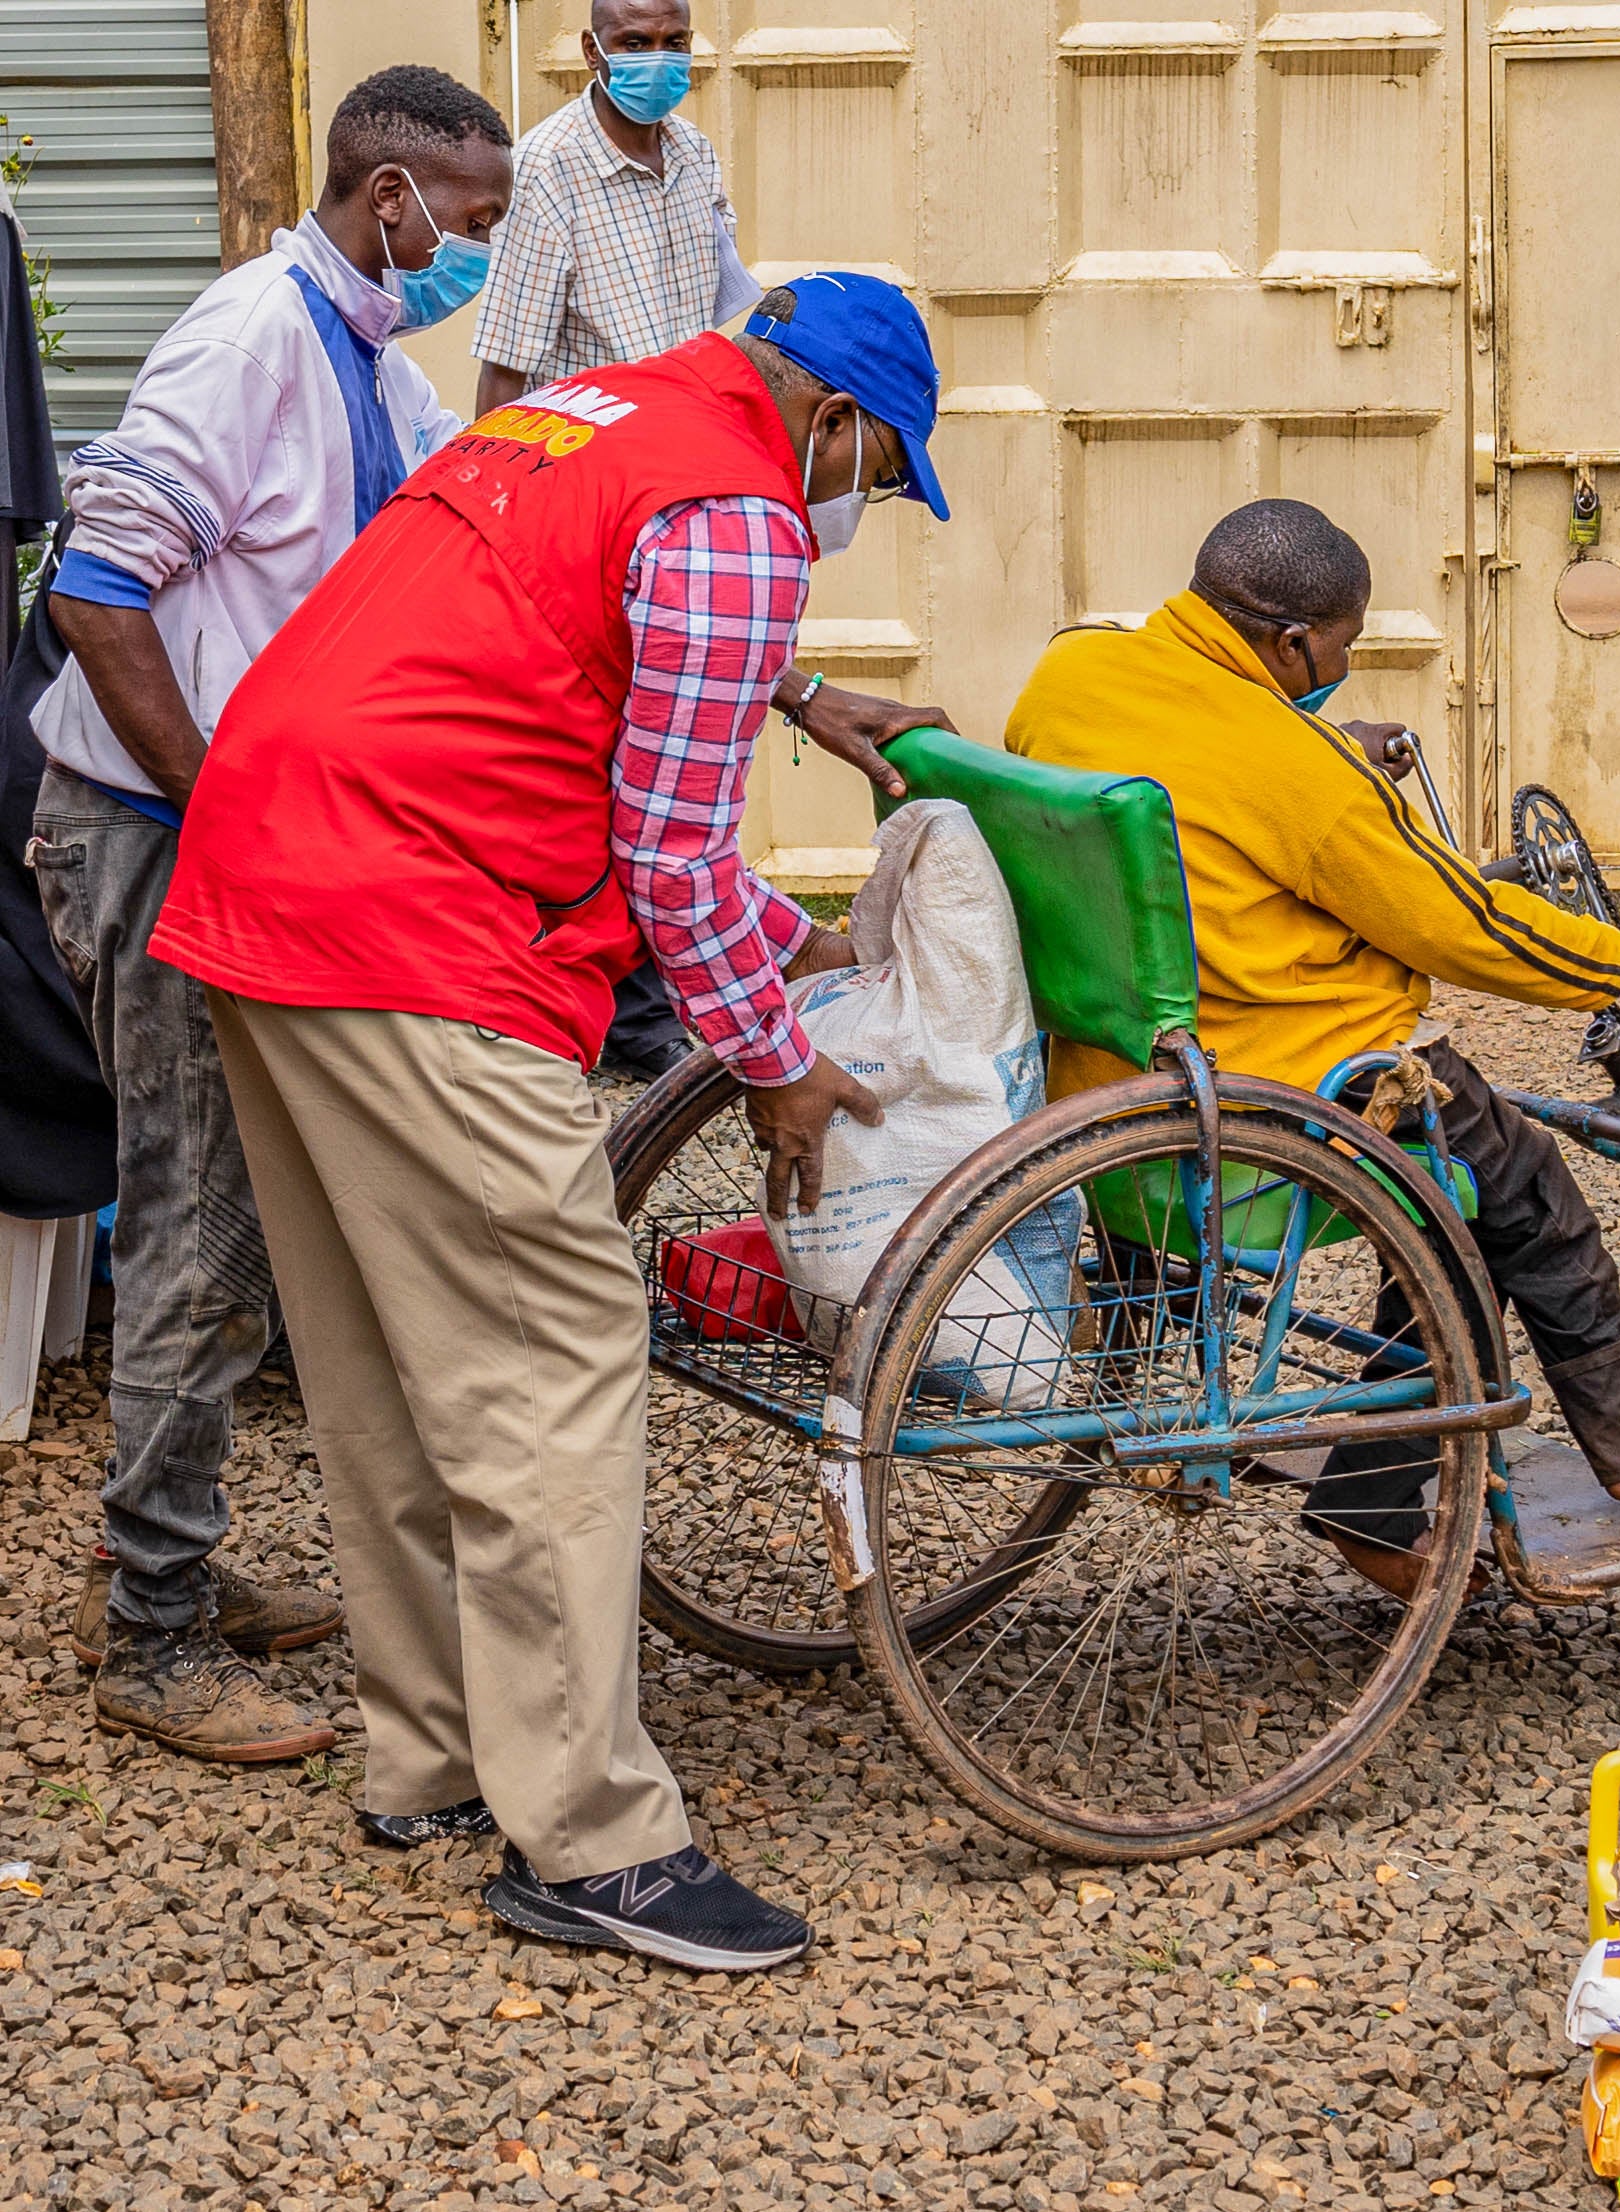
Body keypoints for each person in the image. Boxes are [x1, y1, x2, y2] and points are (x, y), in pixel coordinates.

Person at [149, 274, 950, 1971]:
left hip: (264, 871)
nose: (859, 506)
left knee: (385, 1351)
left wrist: (781, 926)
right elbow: (666, 854)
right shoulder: (743, 507)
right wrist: (772, 1055)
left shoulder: (575, 417)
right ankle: (591, 1837)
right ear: (839, 421)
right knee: (553, 1347)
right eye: (880, 474)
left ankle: (436, 1753)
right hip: (419, 921)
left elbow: (566, 707)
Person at [25, 66, 514, 1768]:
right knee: (199, 1223)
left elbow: (466, 524)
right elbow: (92, 590)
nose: (480, 255)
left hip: (240, 835)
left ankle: (175, 1554)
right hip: (156, 836)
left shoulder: (373, 350)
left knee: (239, 1215)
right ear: (392, 200)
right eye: (473, 222)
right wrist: (226, 796)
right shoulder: (252, 341)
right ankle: (152, 1636)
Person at [1006, 500, 1620, 1602]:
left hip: (1101, 1069)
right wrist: (1618, 963)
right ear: (1294, 641)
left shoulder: (1071, 678)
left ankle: (1390, 1498)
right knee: (1520, 1186)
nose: (1337, 669)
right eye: (1340, 649)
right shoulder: (1293, 768)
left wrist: (1320, 748)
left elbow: (1208, 763)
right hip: (1275, 1080)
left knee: (1461, 1201)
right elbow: (1455, 922)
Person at [472, 0, 764, 1080]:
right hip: (591, 497)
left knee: (683, 739)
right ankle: (626, 1015)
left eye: (671, 40)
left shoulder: (694, 155)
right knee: (602, 751)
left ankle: (676, 986)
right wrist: (496, 516)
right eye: (633, 43)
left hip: (692, 482)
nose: (656, 61)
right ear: (591, 51)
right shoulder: (549, 168)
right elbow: (505, 366)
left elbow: (729, 305)